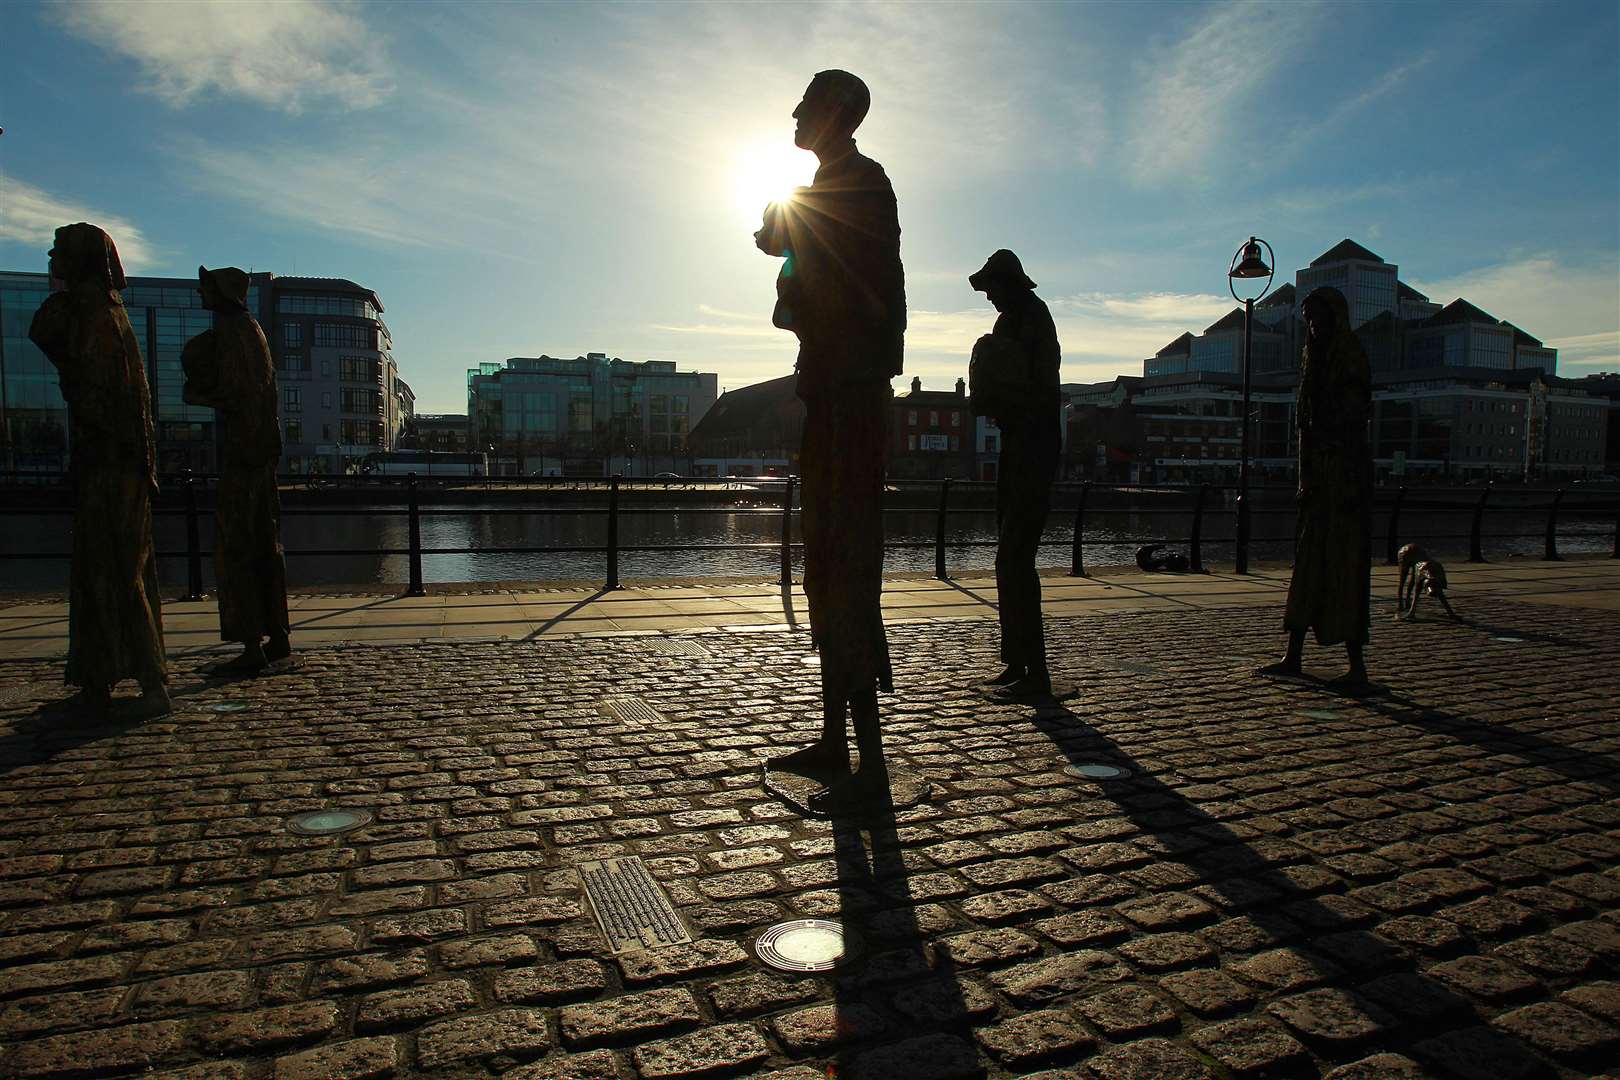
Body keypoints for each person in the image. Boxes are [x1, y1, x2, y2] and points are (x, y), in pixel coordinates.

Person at [755, 70, 905, 802]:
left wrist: (792, 237)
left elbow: (858, 291)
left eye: (806, 103)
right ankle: (835, 738)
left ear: (838, 113)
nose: (793, 111)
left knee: (848, 559)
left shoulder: (862, 185)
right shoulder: (821, 191)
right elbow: (789, 293)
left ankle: (864, 754)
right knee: (825, 560)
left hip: (850, 398)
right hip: (828, 392)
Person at [28, 223, 170, 718]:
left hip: (109, 464)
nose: (50, 256)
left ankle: (149, 680)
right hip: (115, 462)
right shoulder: (110, 313)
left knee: (116, 569)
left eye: (58, 250)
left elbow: (44, 333)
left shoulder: (91, 314)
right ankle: (100, 675)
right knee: (106, 570)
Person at [1258, 286, 1373, 689]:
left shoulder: (1350, 356)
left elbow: (1351, 420)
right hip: (1317, 482)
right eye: (1307, 318)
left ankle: (1356, 664)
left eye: (1317, 317)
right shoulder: (1312, 360)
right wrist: (1306, 476)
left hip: (1343, 482)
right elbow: (1305, 425)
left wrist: (1333, 460)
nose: (1312, 325)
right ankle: (1294, 653)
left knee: (1345, 569)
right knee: (1306, 566)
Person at [182, 266, 291, 672]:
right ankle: (277, 638)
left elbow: (236, 393)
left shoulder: (232, 332)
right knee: (265, 543)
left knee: (237, 546)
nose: (199, 294)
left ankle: (251, 646)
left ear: (221, 292)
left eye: (205, 287)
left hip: (244, 455)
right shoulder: (253, 330)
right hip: (260, 452)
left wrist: (197, 393)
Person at [968, 250, 1061, 699]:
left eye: (991, 289)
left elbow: (1034, 385)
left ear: (1008, 283)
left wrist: (991, 364)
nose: (988, 297)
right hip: (1015, 444)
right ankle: (1018, 661)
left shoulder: (1033, 319)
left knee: (1016, 558)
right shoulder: (1011, 322)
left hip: (1034, 445)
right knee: (1008, 558)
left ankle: (1036, 672)